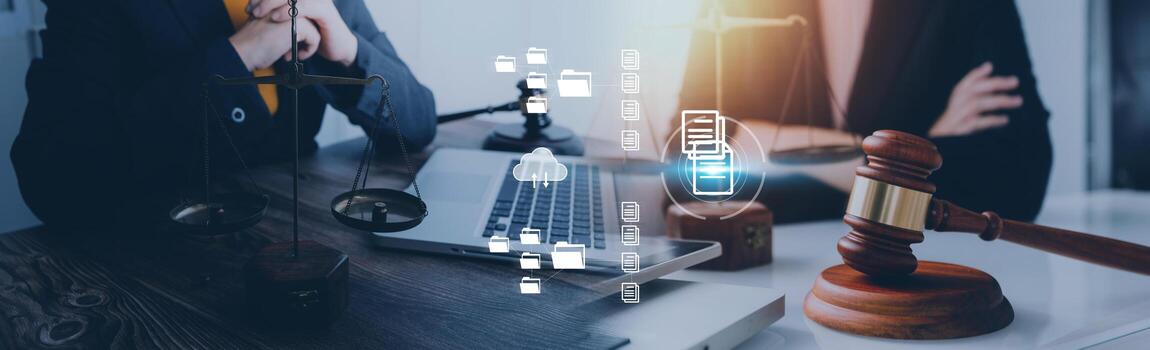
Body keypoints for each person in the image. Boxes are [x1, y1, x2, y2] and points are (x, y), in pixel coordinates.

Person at [11, 0, 436, 229]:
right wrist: (240, 54)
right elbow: (54, 183)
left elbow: (419, 120)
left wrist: (350, 51)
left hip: (306, 233)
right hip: (156, 255)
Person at [675, 0, 1052, 222]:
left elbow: (1017, 187)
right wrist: (921, 151)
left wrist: (767, 147)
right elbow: (683, 176)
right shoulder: (737, 9)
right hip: (764, 283)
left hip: (920, 283)